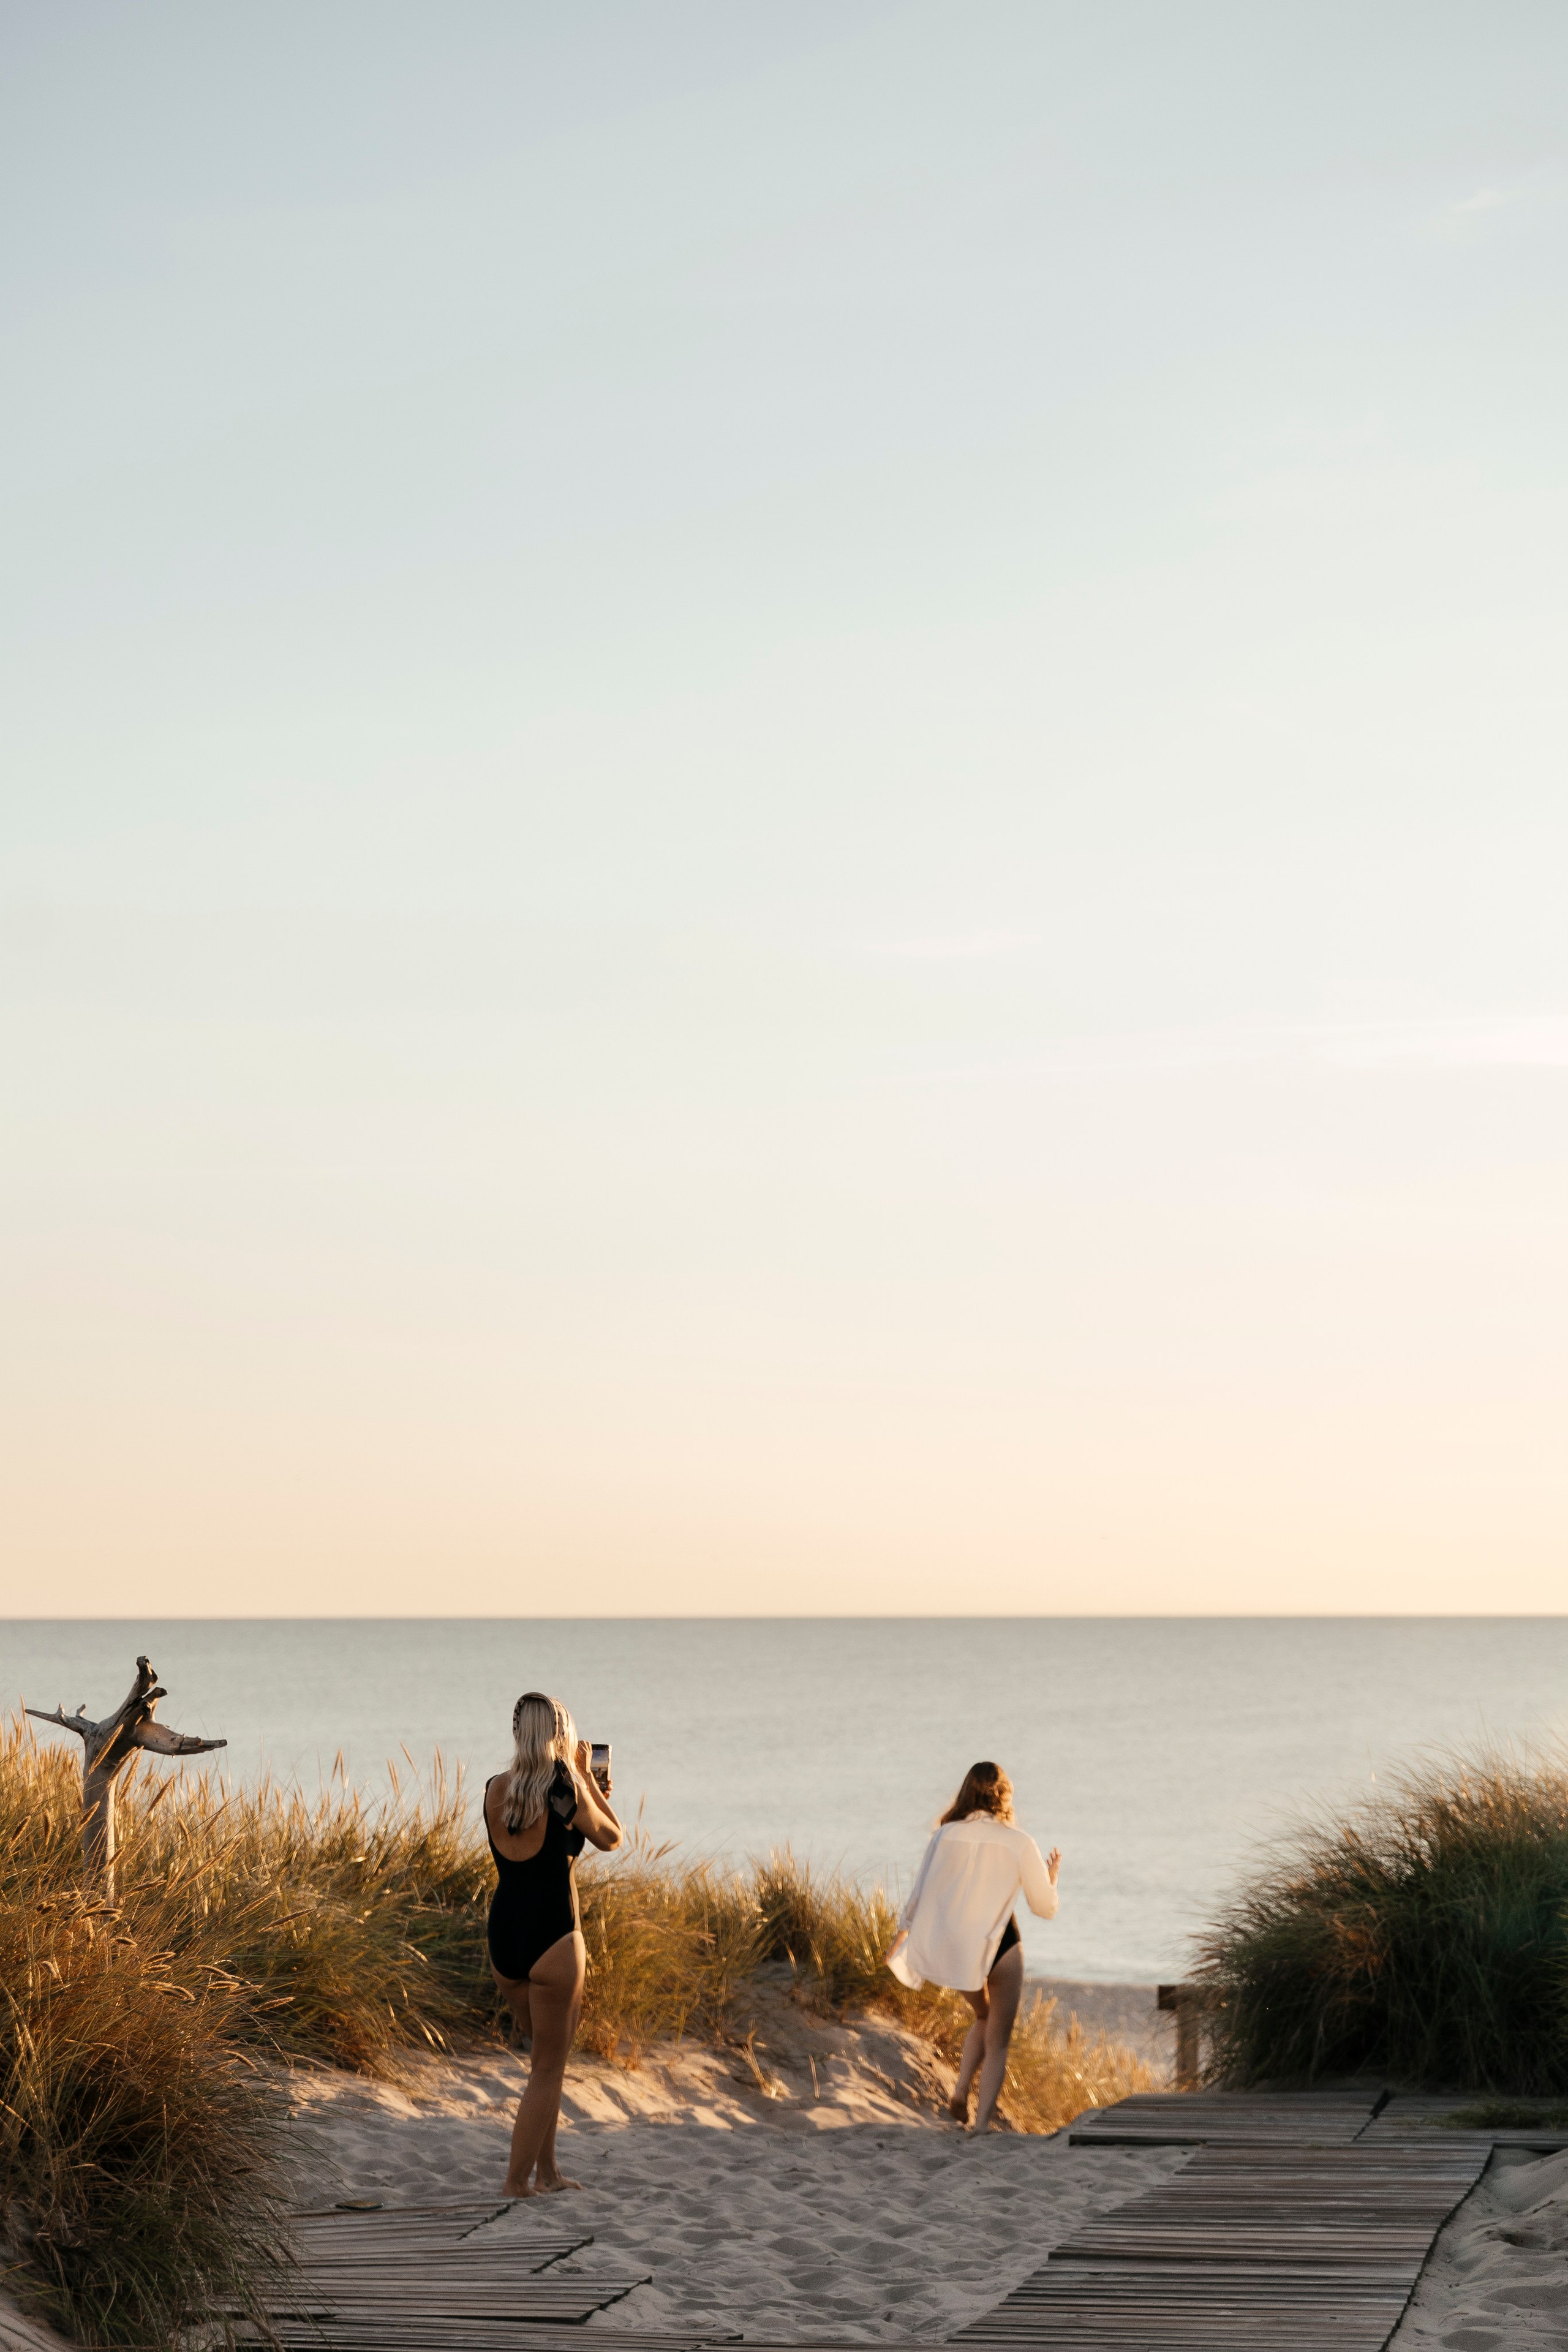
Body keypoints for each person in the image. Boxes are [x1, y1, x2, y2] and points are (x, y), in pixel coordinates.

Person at [484, 1691, 622, 2195]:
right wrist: (589, 1780)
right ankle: (517, 2183)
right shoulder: (565, 1789)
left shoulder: (494, 1788)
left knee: (547, 2059)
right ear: (560, 1734)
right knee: (548, 2066)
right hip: (554, 1938)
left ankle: (549, 2172)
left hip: (505, 1939)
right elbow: (613, 1837)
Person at [886, 1760, 1060, 2133]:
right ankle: (981, 2125)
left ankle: (961, 2089)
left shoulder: (944, 1834)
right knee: (998, 2040)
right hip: (1002, 1947)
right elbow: (1043, 1907)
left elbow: (918, 1896)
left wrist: (900, 1939)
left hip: (960, 1950)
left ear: (966, 1792)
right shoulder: (1020, 1841)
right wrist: (1052, 1879)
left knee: (982, 2016)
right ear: (1005, 1797)